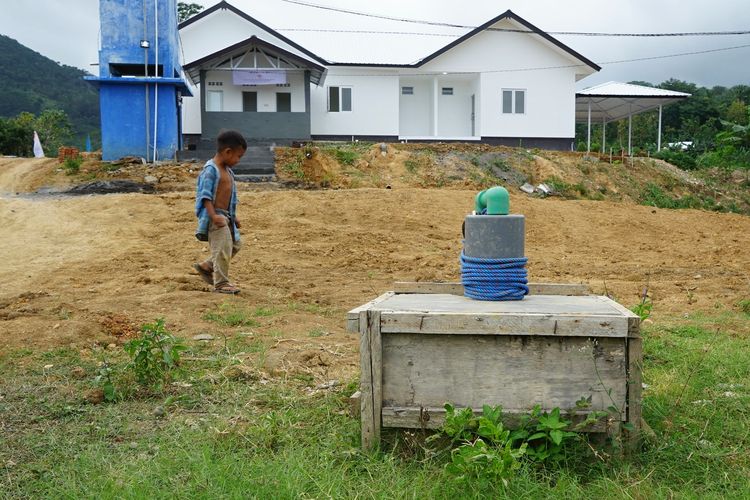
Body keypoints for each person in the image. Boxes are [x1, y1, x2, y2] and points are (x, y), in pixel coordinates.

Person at [193, 130, 247, 294]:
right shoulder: (211, 170)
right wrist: (213, 216)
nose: (238, 161)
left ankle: (207, 266)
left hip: (226, 216)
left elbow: (228, 196)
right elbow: (205, 196)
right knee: (222, 249)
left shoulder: (227, 170)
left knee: (236, 244)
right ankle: (221, 283)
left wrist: (234, 216)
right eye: (238, 156)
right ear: (228, 152)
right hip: (215, 218)